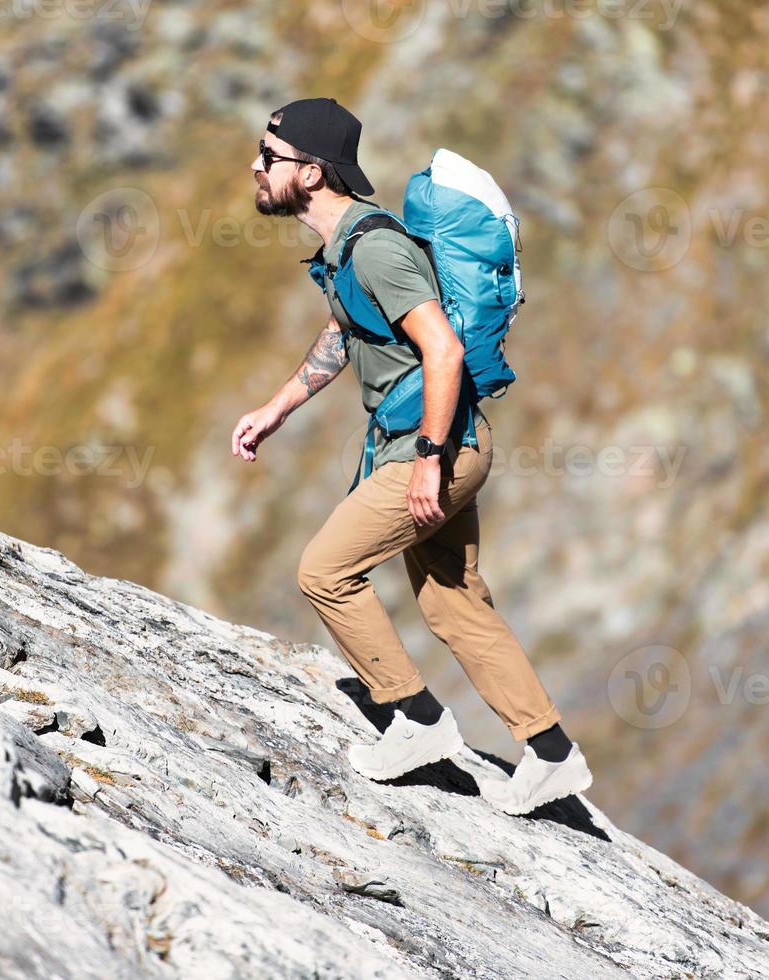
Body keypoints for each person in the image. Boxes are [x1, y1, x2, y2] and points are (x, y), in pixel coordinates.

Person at [229, 97, 592, 815]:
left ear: (310, 172)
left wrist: (428, 459)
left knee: (325, 571)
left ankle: (417, 720)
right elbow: (344, 334)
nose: (255, 166)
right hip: (438, 441)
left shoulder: (376, 248)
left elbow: (443, 348)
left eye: (269, 157)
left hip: (435, 447)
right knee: (453, 601)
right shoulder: (348, 251)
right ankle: (552, 754)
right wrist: (275, 409)